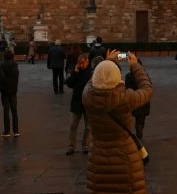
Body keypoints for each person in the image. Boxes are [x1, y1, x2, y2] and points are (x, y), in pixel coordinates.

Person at [84, 53, 152, 194]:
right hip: (125, 156)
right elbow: (146, 89)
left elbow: (94, 80)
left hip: (98, 156)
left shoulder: (87, 96)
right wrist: (135, 66)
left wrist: (106, 63)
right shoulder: (125, 98)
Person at [65, 53, 92, 154]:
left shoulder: (91, 72)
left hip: (88, 103)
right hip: (76, 102)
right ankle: (71, 146)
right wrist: (75, 72)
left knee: (88, 127)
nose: (80, 65)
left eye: (82, 63)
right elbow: (69, 84)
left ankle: (85, 145)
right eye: (79, 63)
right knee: (72, 126)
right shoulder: (76, 71)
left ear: (87, 61)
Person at [0, 49, 20, 137]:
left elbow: (1, 78)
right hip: (13, 90)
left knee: (6, 110)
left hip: (5, 90)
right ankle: (16, 130)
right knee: (14, 111)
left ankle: (7, 131)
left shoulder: (2, 65)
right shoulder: (15, 65)